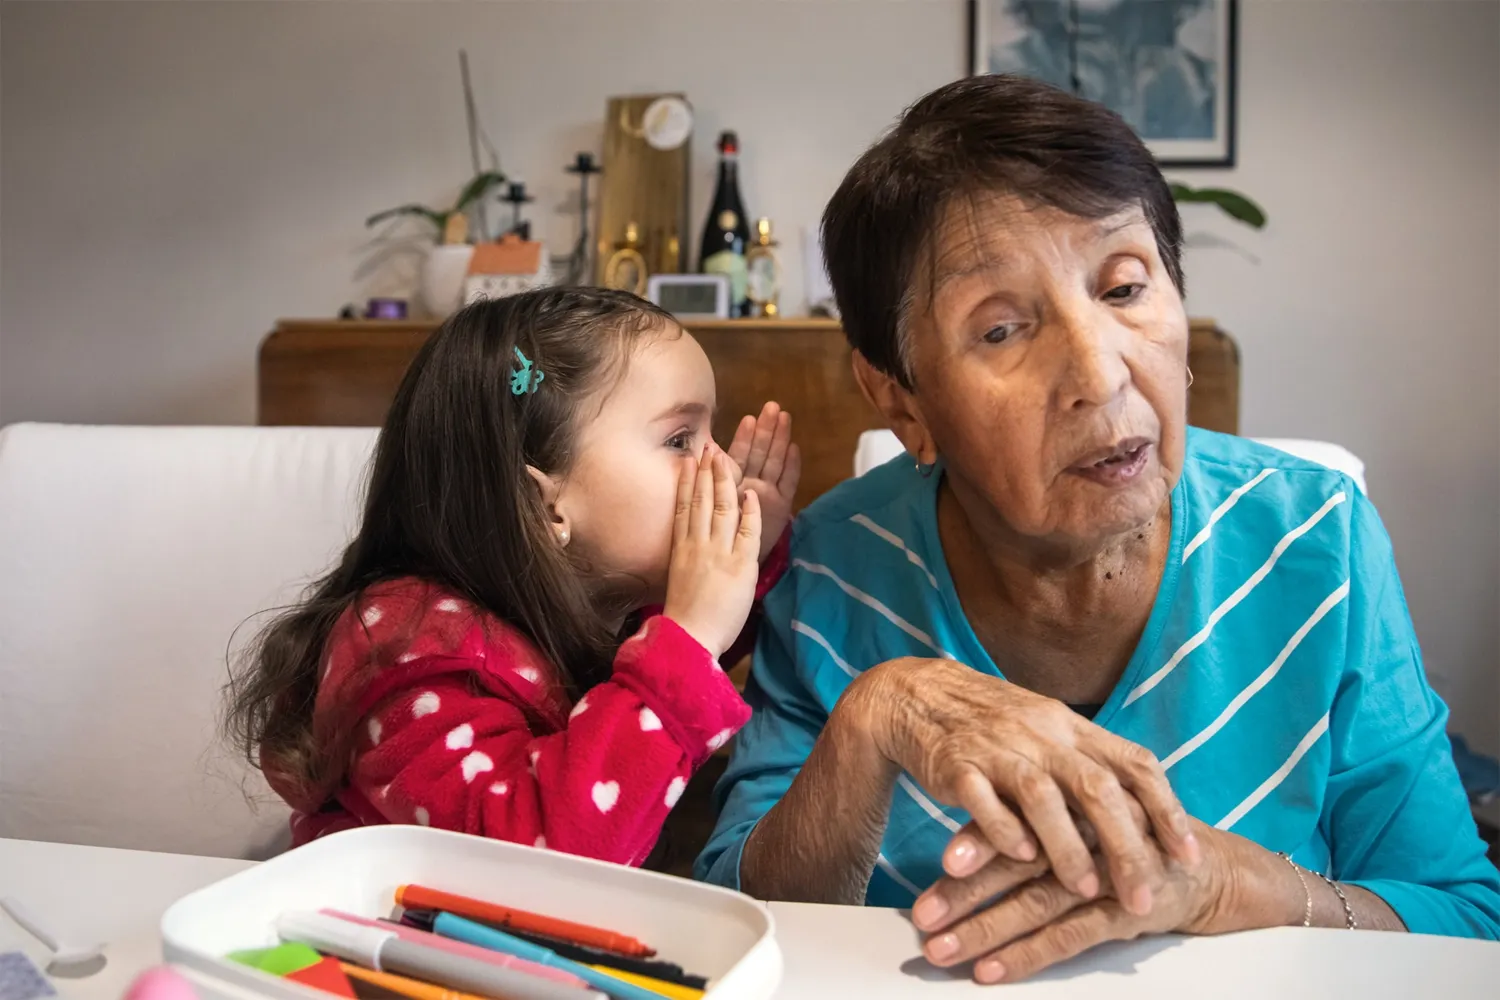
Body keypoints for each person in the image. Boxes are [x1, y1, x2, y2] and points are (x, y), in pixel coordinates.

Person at [697, 75, 1500, 982]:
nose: (1099, 375)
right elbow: (734, 924)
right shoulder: (830, 568)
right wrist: (878, 715)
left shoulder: (1318, 543)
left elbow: (1464, 922)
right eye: (1000, 330)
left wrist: (1238, 887)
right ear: (901, 397)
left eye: (1123, 288)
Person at [225, 288, 800, 866]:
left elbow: (658, 696)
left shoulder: (589, 599)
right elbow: (533, 861)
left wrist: (749, 560)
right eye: (680, 440)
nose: (721, 466)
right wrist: (691, 634)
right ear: (544, 504)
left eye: (710, 437)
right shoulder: (417, 651)